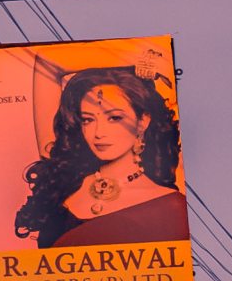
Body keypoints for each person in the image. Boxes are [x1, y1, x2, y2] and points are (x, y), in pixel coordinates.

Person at [13, 65, 189, 249]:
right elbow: (46, 64)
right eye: (88, 120)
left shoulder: (168, 206)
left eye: (114, 118)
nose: (98, 133)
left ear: (142, 121)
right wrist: (140, 61)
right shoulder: (65, 176)